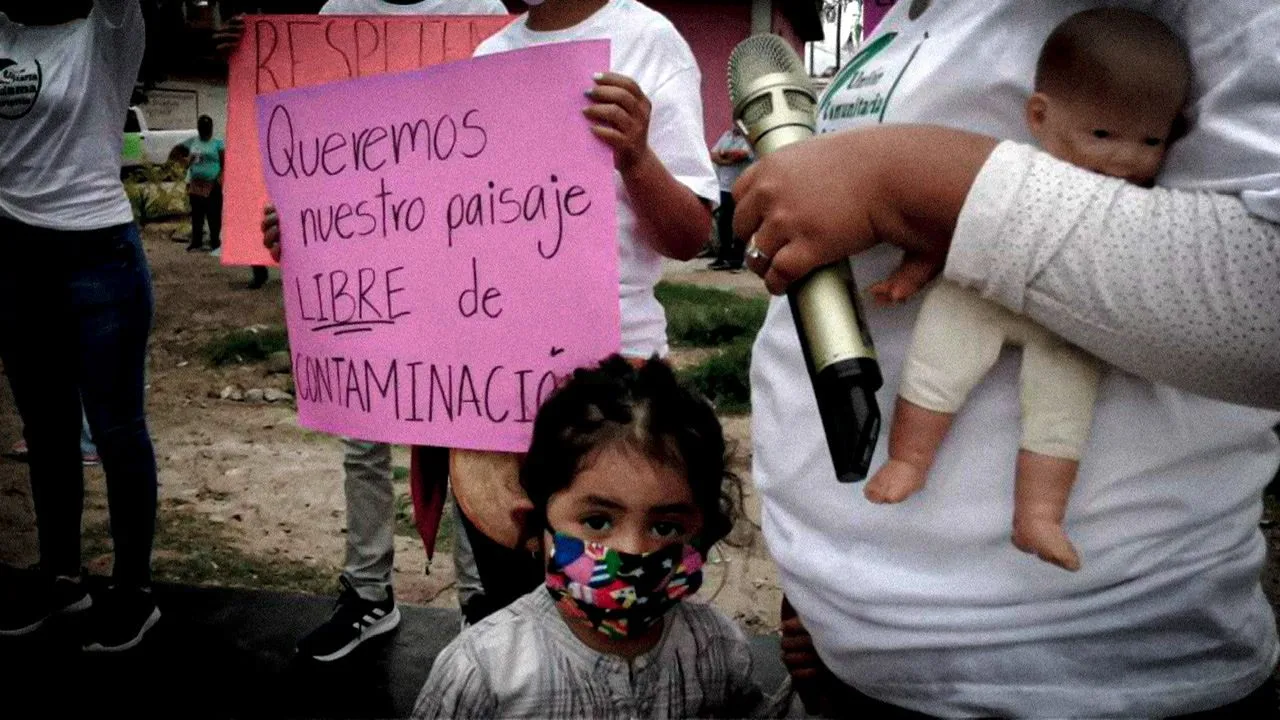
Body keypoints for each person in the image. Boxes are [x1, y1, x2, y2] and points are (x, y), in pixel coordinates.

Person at [731, 0, 1280, 716]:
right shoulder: (912, 13)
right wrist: (824, 581)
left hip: (1069, 675)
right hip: (858, 653)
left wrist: (909, 181)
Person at [262, 0, 719, 630]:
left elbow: (691, 236)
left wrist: (638, 157)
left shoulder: (646, 39)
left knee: (618, 619)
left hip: (621, 410)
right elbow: (442, 238)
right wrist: (323, 235)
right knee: (509, 617)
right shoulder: (488, 60)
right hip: (497, 420)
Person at [221, 0, 514, 663]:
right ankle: (368, 595)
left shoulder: (483, 12)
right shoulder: (337, 15)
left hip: (458, 259)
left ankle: (479, 602)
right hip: (364, 269)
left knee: (468, 441)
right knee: (363, 440)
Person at [860, 10, 1191, 572]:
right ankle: (909, 460)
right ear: (1039, 115)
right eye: (1103, 134)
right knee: (936, 362)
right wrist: (910, 276)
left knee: (1064, 411)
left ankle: (1038, 516)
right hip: (979, 297)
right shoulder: (1005, 166)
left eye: (1151, 140)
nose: (1125, 158)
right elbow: (952, 224)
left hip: (1071, 321)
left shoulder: (1147, 204)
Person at [411, 356, 779, 719]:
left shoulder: (717, 651)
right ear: (537, 521)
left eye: (664, 527)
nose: (631, 550)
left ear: (703, 528)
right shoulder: (484, 673)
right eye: (598, 521)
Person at [0, 0, 162, 652]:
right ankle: (63, 578)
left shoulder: (109, 27)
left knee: (118, 431)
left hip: (99, 257)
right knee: (46, 430)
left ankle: (134, 590)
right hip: (13, 260)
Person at [708, 125, 754, 271]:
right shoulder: (727, 135)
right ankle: (724, 257)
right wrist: (727, 157)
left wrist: (724, 156)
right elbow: (713, 155)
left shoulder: (749, 137)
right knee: (724, 223)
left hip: (742, 187)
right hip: (725, 188)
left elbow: (742, 155)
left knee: (740, 223)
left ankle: (737, 260)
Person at [180, 114, 225, 254]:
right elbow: (189, 163)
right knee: (197, 213)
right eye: (201, 127)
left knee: (214, 214)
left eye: (206, 127)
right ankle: (196, 241)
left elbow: (225, 163)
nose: (204, 130)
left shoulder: (218, 143)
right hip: (196, 183)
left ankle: (215, 241)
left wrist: (220, 178)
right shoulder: (194, 143)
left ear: (210, 128)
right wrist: (186, 162)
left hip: (212, 183)